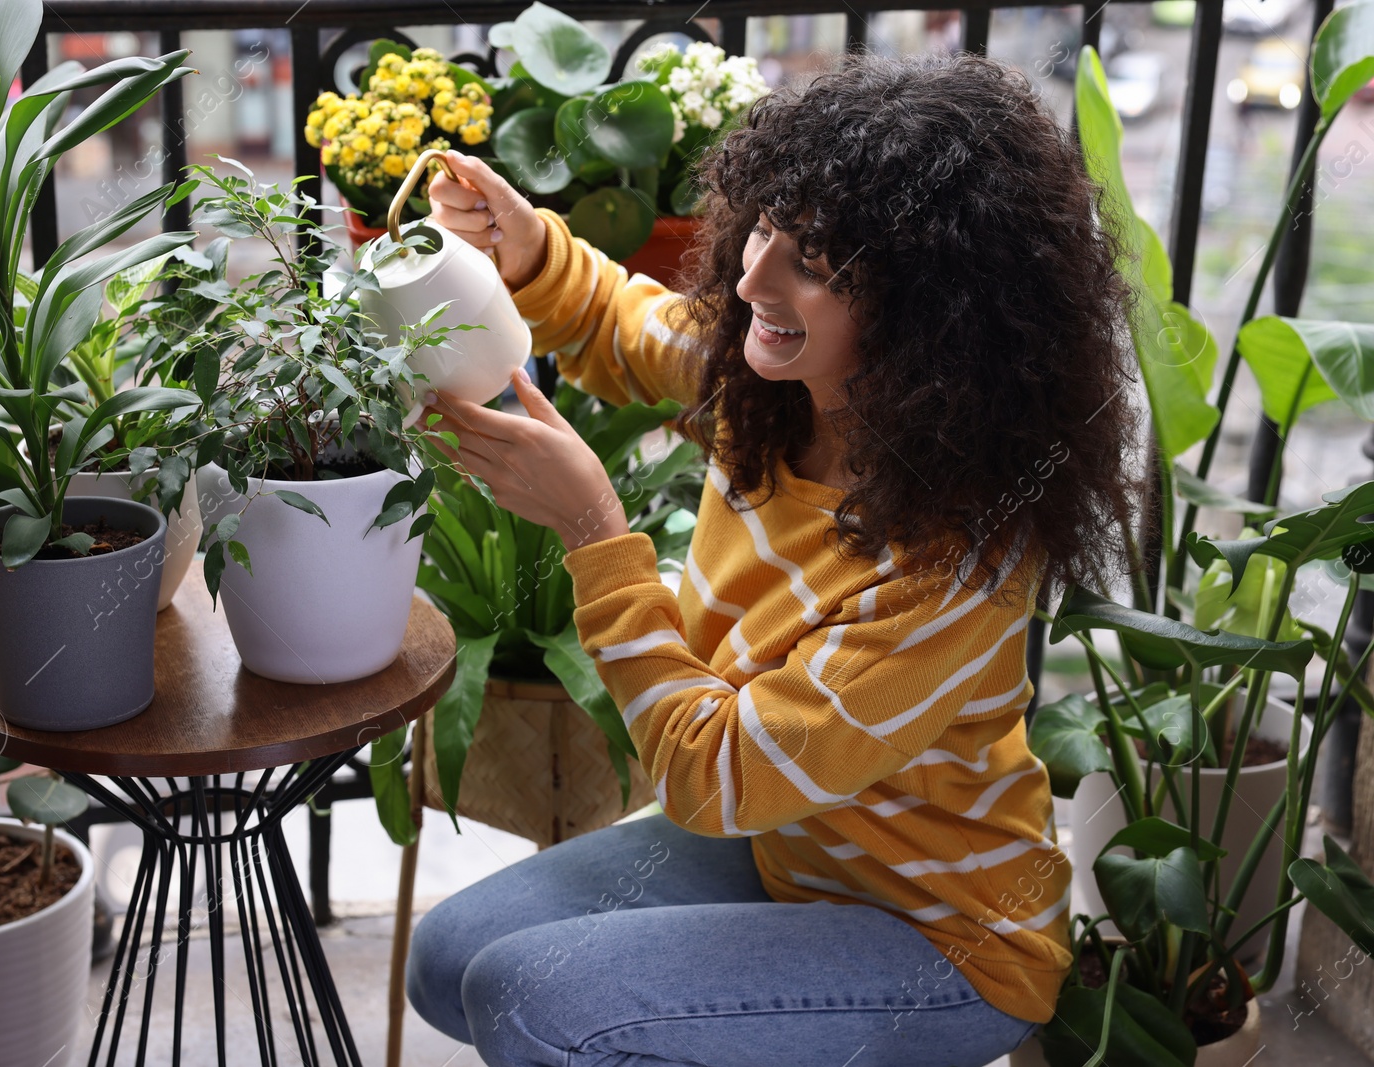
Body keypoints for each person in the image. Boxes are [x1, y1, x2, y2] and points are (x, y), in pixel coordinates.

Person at [410, 49, 1141, 1067]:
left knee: (532, 1002)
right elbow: (629, 327)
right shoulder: (775, 389)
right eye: (761, 226)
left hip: (942, 940)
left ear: (932, 308)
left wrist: (592, 532)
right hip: (788, 849)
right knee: (448, 956)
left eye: (811, 260)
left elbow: (714, 775)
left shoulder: (955, 561)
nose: (754, 275)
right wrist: (531, 252)